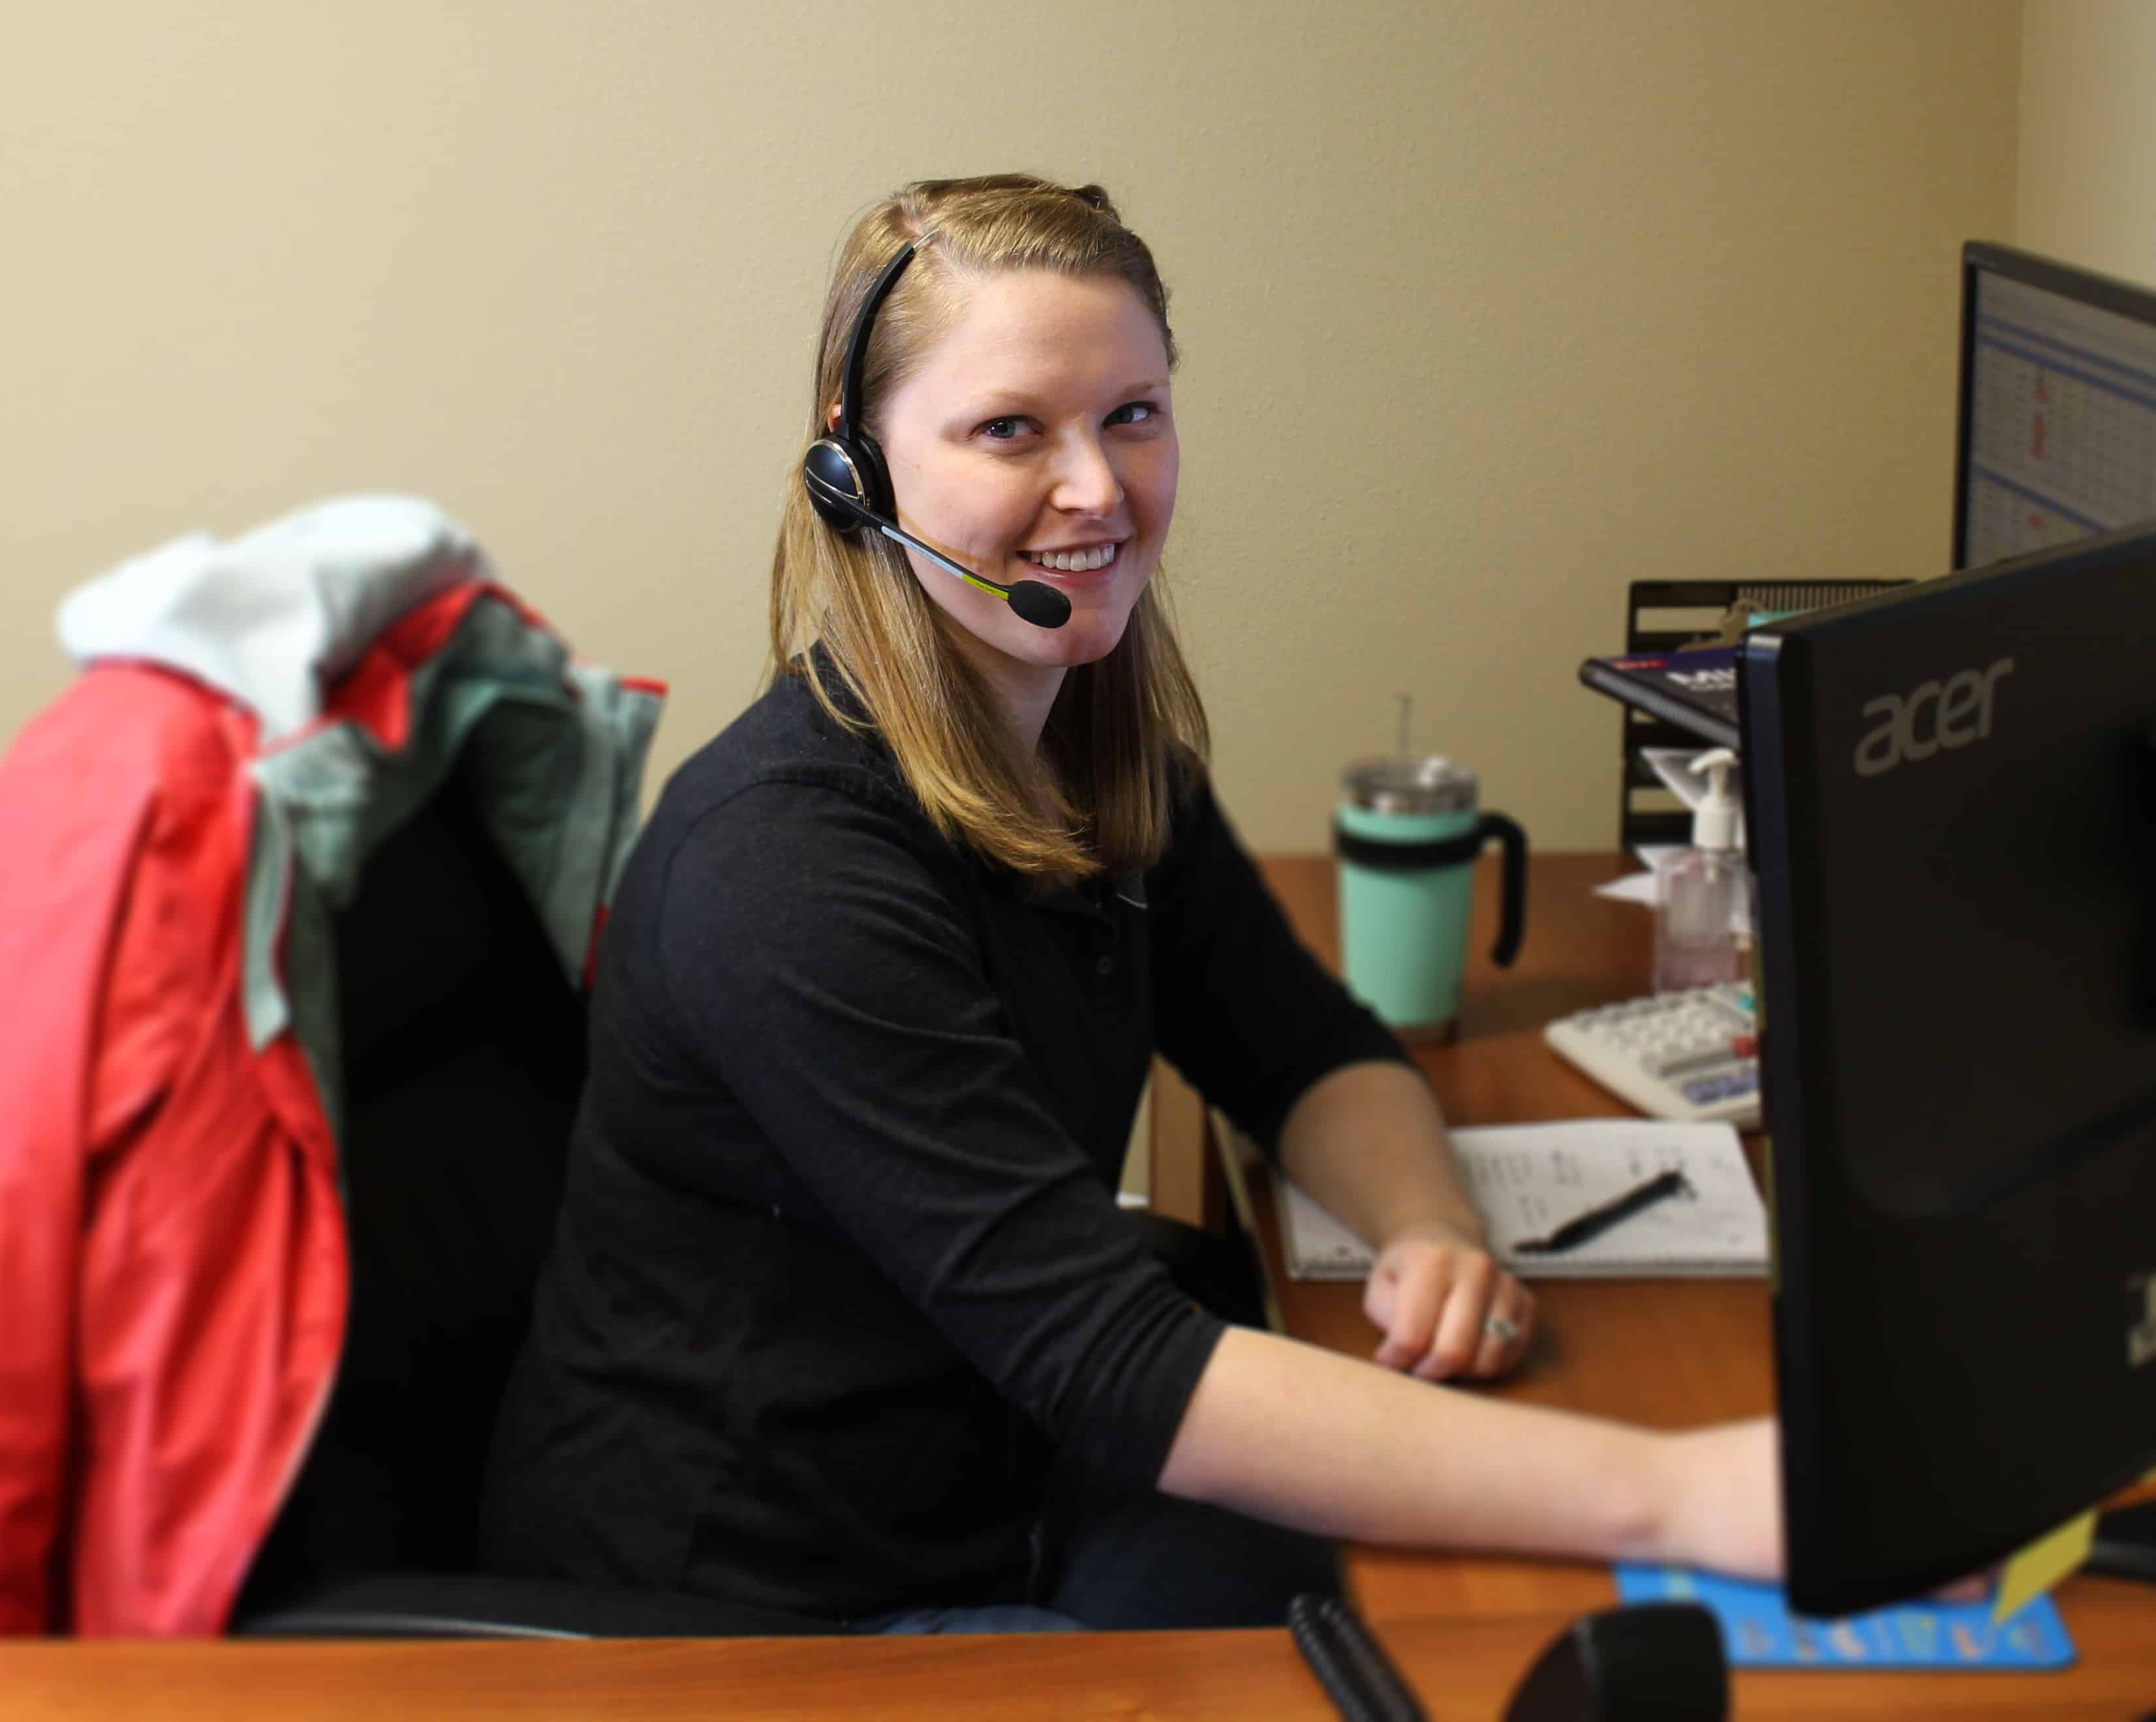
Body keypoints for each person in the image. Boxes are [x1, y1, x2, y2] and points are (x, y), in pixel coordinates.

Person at [477, 175, 1786, 1634]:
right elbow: (1108, 1362)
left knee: (1457, 1611)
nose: (1097, 488)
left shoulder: (1098, 757)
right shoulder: (784, 872)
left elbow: (1303, 1050)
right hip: (764, 1607)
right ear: (855, 475)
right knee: (1470, 1644)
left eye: (1135, 414)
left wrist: (1429, 1230)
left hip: (1000, 1471)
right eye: (1010, 428)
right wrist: (1685, 1493)